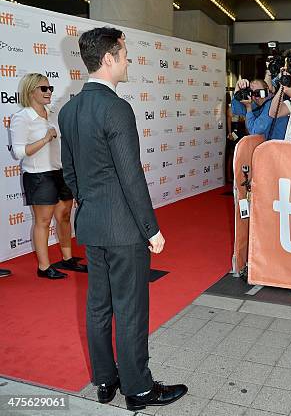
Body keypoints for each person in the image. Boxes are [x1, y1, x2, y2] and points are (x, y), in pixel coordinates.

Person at [58, 27, 187, 410]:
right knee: (130, 309)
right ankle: (140, 389)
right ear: (109, 58)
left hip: (93, 225)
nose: (129, 61)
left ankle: (105, 380)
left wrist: (92, 203)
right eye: (125, 54)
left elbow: (70, 173)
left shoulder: (69, 109)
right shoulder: (116, 107)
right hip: (124, 228)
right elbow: (131, 176)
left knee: (98, 306)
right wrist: (152, 228)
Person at [9, 73, 86, 279]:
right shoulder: (22, 117)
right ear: (30, 91)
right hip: (38, 175)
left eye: (50, 88)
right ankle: (43, 267)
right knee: (43, 221)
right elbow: (18, 152)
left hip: (60, 172)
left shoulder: (52, 114)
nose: (49, 91)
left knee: (64, 216)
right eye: (44, 88)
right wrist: (45, 139)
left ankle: (67, 258)